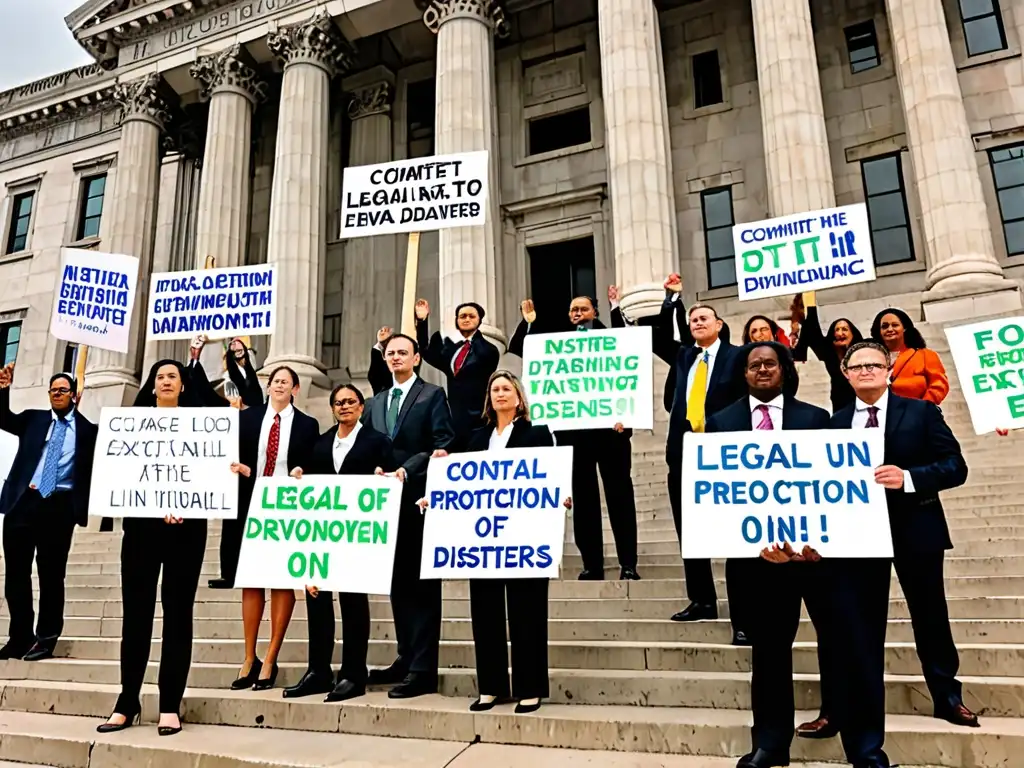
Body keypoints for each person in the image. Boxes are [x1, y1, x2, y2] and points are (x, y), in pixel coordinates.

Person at [810, 342, 975, 765]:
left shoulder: (919, 411)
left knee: (930, 614)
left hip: (914, 527)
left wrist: (909, 478)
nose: (865, 371)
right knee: (861, 632)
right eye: (857, 365)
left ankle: (946, 695)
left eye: (874, 364)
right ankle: (863, 737)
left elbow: (955, 465)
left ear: (889, 369)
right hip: (857, 538)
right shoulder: (834, 424)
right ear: (845, 373)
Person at [703, 343, 833, 768]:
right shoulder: (721, 423)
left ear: (784, 370)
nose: (762, 369)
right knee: (769, 654)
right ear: (743, 373)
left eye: (770, 363)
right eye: (754, 364)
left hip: (810, 557)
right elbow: (717, 494)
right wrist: (749, 540)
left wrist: (816, 541)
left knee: (838, 643)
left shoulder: (815, 419)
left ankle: (857, 736)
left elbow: (829, 486)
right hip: (757, 561)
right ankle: (771, 745)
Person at [429, 370, 572, 714]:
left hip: (524, 537)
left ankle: (530, 688)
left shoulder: (537, 434)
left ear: (519, 397)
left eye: (506, 389)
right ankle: (491, 687)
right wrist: (436, 489)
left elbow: (549, 474)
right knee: (486, 612)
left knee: (528, 611)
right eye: (494, 389)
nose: (500, 394)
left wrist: (562, 496)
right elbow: (463, 484)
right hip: (484, 541)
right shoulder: (477, 438)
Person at [96, 359, 225, 736]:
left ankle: (170, 702)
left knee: (178, 613)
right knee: (135, 615)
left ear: (184, 385)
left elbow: (209, 472)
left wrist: (226, 474)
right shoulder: (131, 424)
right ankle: (127, 700)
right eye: (160, 377)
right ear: (152, 386)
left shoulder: (203, 424)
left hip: (186, 530)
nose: (166, 381)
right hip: (141, 531)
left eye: (173, 376)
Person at [508, 295, 640, 580]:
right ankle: (592, 564)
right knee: (584, 501)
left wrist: (630, 416)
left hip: (611, 433)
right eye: (573, 310)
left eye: (583, 308)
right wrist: (529, 323)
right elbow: (521, 348)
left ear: (594, 312)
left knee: (620, 498)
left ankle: (628, 563)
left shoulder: (613, 337)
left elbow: (634, 365)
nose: (577, 313)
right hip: (575, 436)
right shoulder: (558, 343)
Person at [283, 384, 396, 702]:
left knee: (353, 602)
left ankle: (353, 674)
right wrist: (299, 474)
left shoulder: (378, 441)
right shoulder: (320, 444)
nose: (344, 406)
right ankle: (318, 671)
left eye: (350, 402)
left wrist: (382, 478)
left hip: (357, 536)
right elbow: (310, 481)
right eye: (338, 403)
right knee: (317, 600)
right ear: (332, 409)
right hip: (323, 535)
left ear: (361, 407)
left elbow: (389, 480)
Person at [363, 333, 455, 697]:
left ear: (416, 358)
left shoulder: (433, 395)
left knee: (422, 587)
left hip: (419, 501)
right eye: (391, 353)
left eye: (403, 352)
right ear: (384, 360)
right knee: (397, 584)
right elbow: (364, 447)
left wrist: (408, 469)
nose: (396, 357)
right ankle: (405, 657)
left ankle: (423, 669)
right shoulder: (375, 403)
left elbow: (443, 442)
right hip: (383, 505)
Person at [657, 274, 747, 639]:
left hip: (723, 453)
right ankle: (702, 599)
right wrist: (670, 301)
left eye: (704, 319)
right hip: (683, 452)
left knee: (733, 535)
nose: (697, 323)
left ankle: (743, 613)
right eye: (693, 320)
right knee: (689, 531)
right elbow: (663, 336)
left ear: (720, 325)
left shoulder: (737, 357)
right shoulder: (684, 356)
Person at [228, 366, 320, 691]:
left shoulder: (308, 425)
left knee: (282, 580)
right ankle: (249, 656)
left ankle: (270, 657)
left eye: (285, 382)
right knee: (252, 581)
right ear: (268, 387)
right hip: (250, 504)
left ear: (295, 389)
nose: (279, 385)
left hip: (287, 507)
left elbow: (313, 461)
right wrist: (241, 469)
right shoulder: (247, 419)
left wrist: (302, 470)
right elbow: (232, 457)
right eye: (274, 381)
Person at [0, 366, 97, 661]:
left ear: (74, 395)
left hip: (59, 506)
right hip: (24, 502)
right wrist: (3, 390)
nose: (57, 394)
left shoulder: (90, 431)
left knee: (51, 576)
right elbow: (3, 418)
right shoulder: (33, 419)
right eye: (53, 390)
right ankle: (19, 637)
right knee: (16, 575)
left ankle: (46, 638)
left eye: (62, 390)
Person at [414, 298, 499, 447]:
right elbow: (426, 352)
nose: (466, 319)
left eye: (471, 316)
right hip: (455, 421)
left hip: (480, 421)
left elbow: (482, 360)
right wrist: (422, 321)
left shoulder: (489, 349)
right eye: (462, 316)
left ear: (479, 320)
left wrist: (471, 339)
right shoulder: (453, 350)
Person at [790, 292, 864, 411]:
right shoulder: (829, 353)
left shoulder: (866, 350)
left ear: (853, 334)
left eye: (844, 329)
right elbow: (812, 328)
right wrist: (810, 300)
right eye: (837, 330)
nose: (840, 333)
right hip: (841, 407)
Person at [871, 307, 948, 404]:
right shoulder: (871, 359)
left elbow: (939, 384)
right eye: (884, 326)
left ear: (905, 329)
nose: (890, 329)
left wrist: (923, 407)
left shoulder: (925, 354)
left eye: (895, 325)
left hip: (919, 414)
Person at [224, 337, 263, 408]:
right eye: (233, 345)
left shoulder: (250, 366)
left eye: (238, 343)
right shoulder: (228, 376)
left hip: (258, 406)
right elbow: (233, 400)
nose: (236, 345)